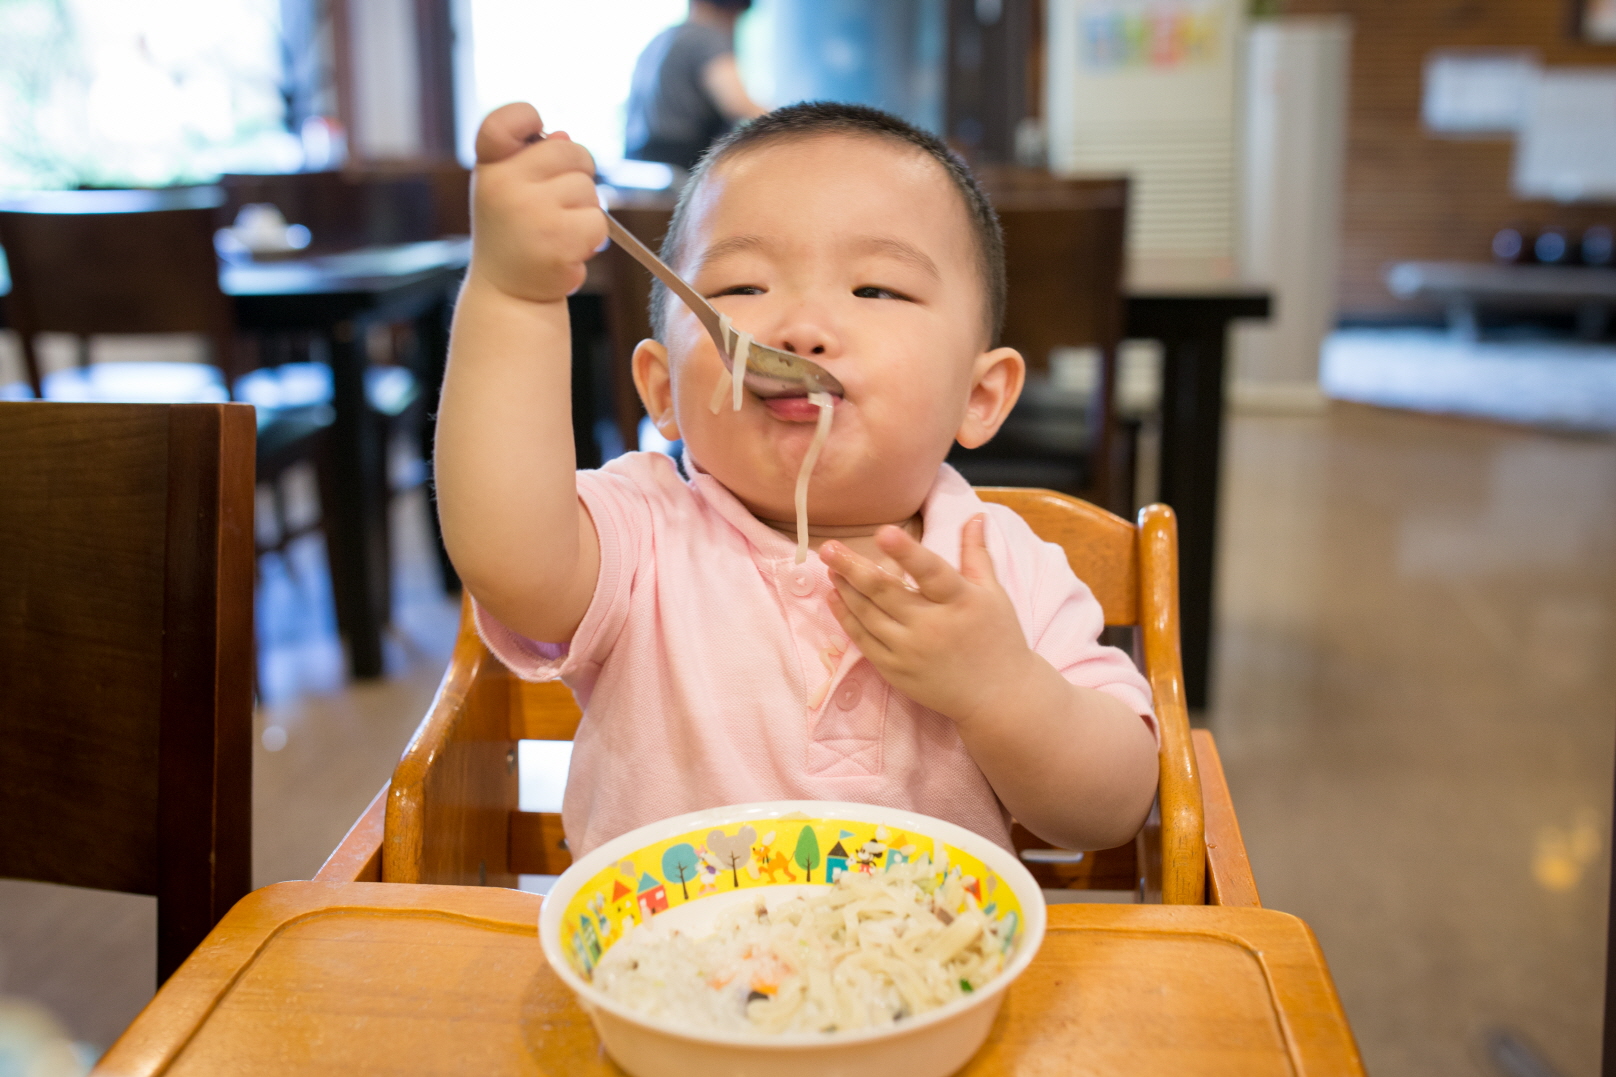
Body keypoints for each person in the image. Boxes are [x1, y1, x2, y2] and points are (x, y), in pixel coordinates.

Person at [436, 100, 1159, 859]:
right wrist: (514, 296)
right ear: (662, 391)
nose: (802, 326)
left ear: (979, 398)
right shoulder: (642, 534)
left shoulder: (1000, 567)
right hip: (659, 967)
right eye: (742, 288)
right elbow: (506, 553)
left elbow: (1113, 808)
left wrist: (1003, 689)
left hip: (919, 971)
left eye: (876, 289)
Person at [624, 0, 766, 174]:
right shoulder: (707, 37)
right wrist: (796, 124)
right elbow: (737, 104)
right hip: (679, 159)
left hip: (639, 159)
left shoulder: (663, 38)